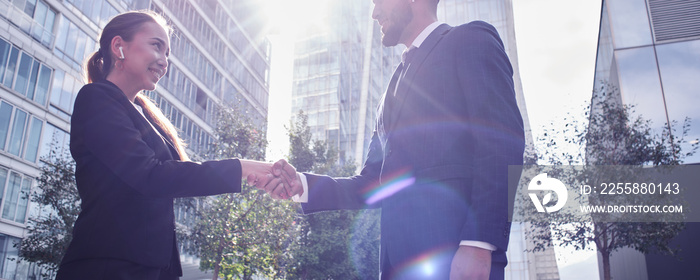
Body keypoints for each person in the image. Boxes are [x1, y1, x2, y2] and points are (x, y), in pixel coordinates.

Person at [276, 0, 525, 279]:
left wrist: (478, 245)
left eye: (378, 1)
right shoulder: (388, 92)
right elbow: (373, 183)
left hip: (457, 261)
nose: (374, 13)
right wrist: (304, 184)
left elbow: (503, 145)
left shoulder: (470, 40)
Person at [55, 11, 297, 280]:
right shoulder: (96, 99)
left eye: (168, 52)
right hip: (106, 267)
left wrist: (258, 172)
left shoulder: (144, 114)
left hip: (153, 268)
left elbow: (175, 176)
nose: (164, 60)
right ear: (118, 46)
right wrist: (242, 167)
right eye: (156, 45)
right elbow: (151, 176)